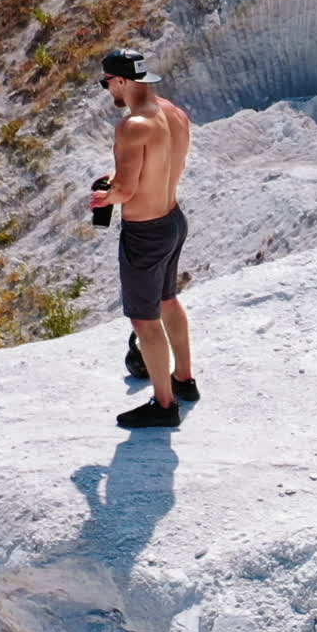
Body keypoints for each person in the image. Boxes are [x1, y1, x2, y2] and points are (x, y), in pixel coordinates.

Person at [90, 48, 199, 428]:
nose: (108, 90)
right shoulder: (173, 112)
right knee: (169, 299)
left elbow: (125, 191)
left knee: (144, 320)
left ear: (121, 81)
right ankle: (184, 380)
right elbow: (168, 164)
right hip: (172, 219)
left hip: (145, 233)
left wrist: (105, 196)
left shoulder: (132, 125)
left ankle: (164, 405)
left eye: (107, 83)